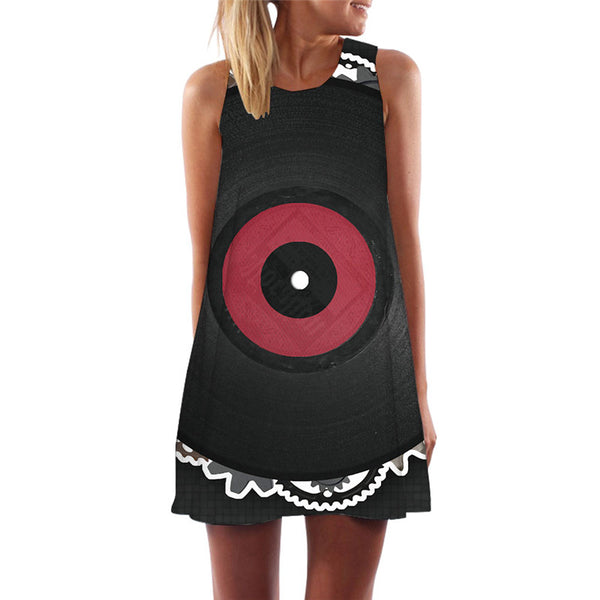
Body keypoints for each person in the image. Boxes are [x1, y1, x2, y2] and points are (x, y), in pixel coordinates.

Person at [171, 1, 437, 598]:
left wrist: (417, 393)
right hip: (240, 390)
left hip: (363, 391)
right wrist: (218, 400)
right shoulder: (211, 92)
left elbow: (404, 245)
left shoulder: (389, 79)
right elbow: (208, 266)